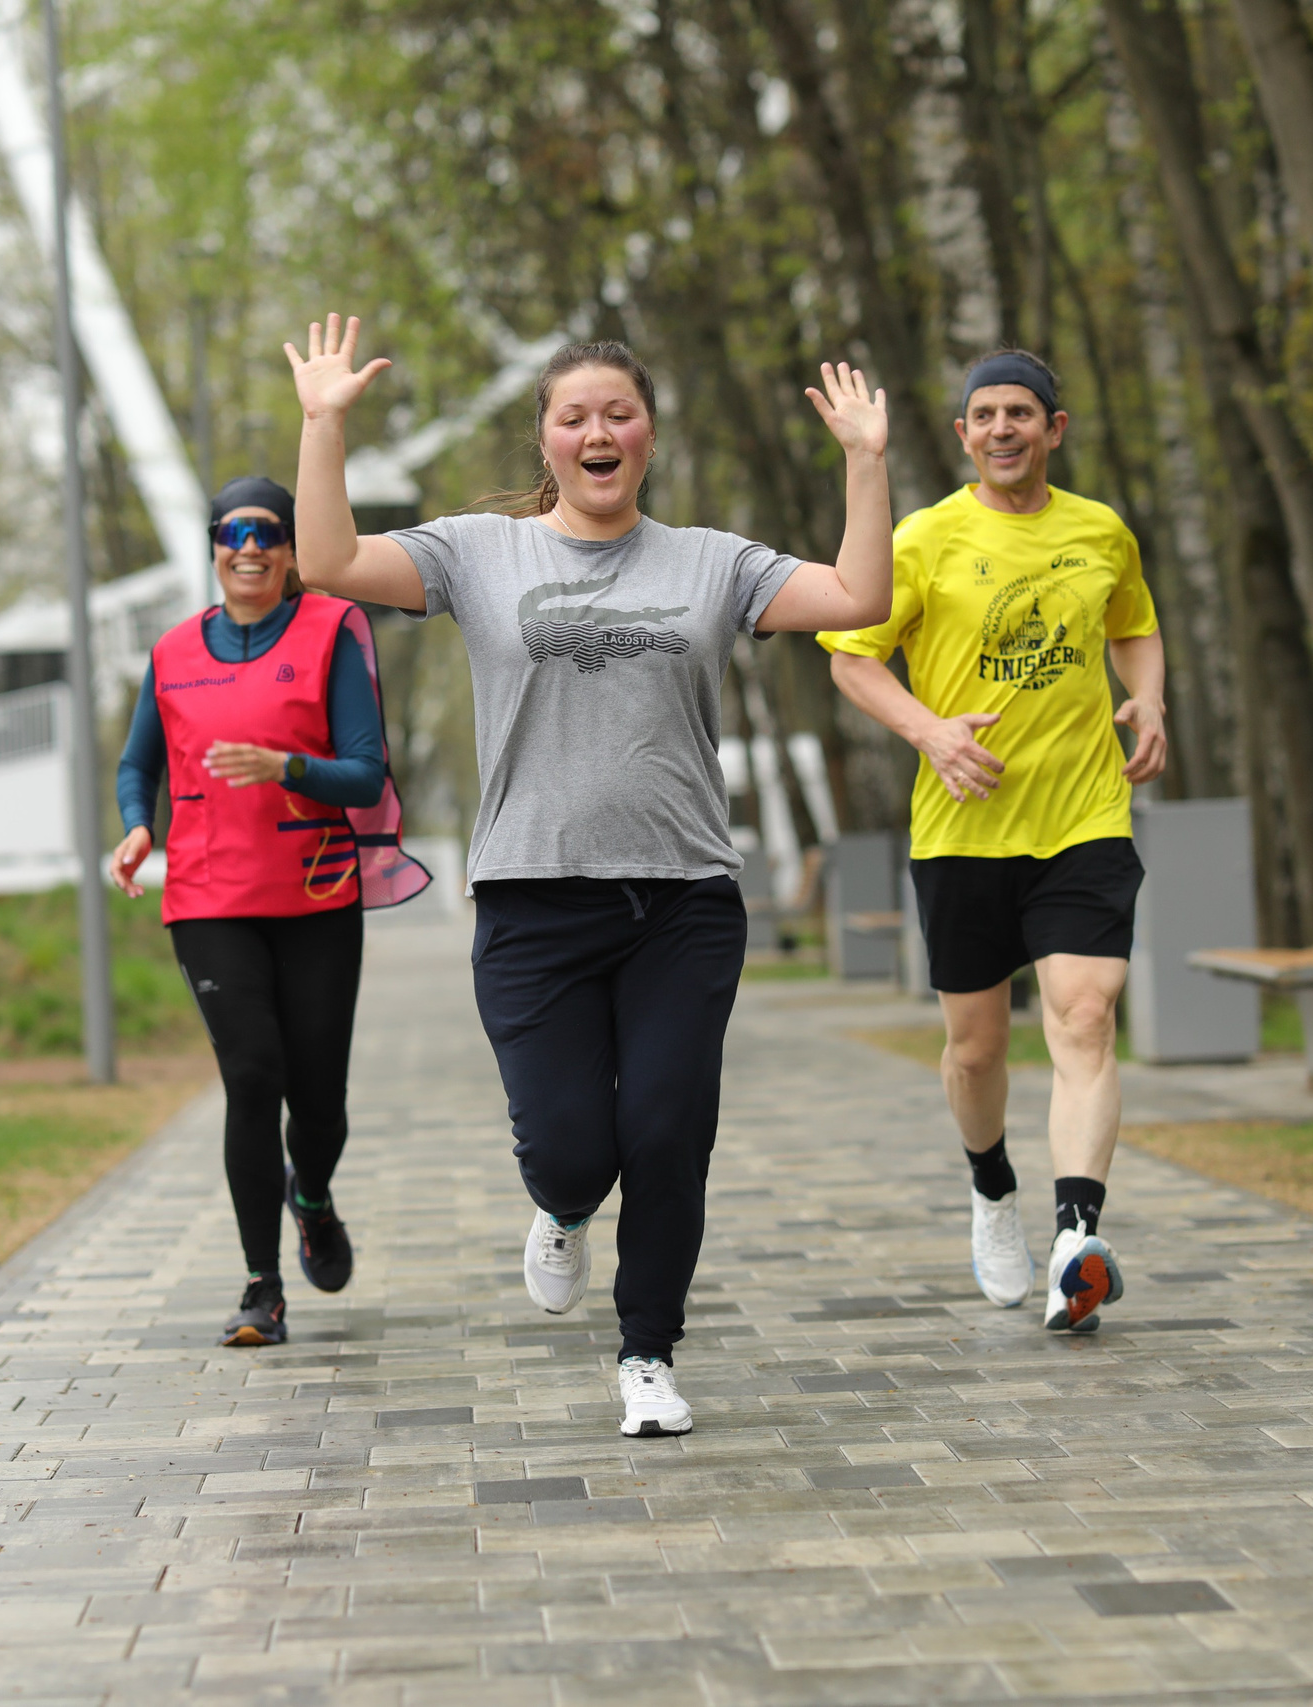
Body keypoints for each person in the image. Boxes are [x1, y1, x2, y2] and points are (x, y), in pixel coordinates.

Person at [283, 313, 892, 1437]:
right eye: (575, 416)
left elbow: (859, 600)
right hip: (532, 897)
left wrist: (865, 459)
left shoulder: (714, 562)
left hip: (684, 900)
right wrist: (324, 427)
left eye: (619, 412)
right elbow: (325, 563)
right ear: (547, 440)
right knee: (571, 1145)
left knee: (666, 1131)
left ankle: (647, 1353)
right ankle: (562, 1206)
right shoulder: (479, 553)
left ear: (649, 435)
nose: (597, 432)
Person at [819, 350, 1167, 1335]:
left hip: (1082, 818)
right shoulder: (924, 539)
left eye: (1022, 412)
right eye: (985, 415)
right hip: (964, 829)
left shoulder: (1100, 530)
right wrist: (929, 732)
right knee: (975, 1051)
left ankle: (1074, 1240)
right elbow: (853, 661)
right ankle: (989, 1189)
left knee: (1085, 1019)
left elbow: (1133, 623)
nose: (1004, 427)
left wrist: (1146, 694)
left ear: (1053, 429)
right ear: (965, 435)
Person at [111, 474, 430, 1348]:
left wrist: (285, 766)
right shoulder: (173, 653)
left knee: (318, 1100)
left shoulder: (333, 629)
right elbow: (138, 765)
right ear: (213, 546)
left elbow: (365, 772)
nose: (248, 548)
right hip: (210, 896)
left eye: (267, 534)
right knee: (252, 1076)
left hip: (318, 891)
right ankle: (262, 1286)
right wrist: (138, 828)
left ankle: (313, 1195)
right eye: (232, 533)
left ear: (292, 552)